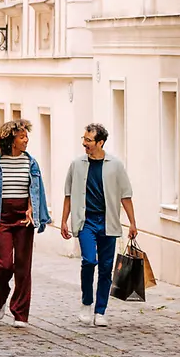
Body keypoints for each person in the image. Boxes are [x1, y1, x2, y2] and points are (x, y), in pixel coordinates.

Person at [0, 119, 51, 327]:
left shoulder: (31, 163)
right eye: (22, 137)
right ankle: (2, 292)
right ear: (10, 140)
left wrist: (34, 208)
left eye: (27, 137)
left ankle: (20, 313)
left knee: (24, 267)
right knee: (5, 264)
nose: (26, 141)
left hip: (24, 218)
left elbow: (37, 190)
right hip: (1, 218)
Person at [60, 123, 138, 326]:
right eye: (83, 139)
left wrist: (132, 222)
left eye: (88, 140)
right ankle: (87, 302)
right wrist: (63, 220)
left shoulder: (115, 165)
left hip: (108, 222)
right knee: (89, 260)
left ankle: (100, 311)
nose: (84, 143)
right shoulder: (77, 164)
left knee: (105, 268)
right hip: (85, 221)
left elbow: (126, 195)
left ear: (100, 142)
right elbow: (68, 194)